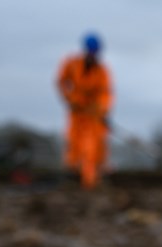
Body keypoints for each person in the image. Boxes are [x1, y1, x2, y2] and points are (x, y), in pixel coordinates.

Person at [55, 32, 113, 190]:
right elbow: (61, 81)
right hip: (76, 113)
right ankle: (71, 174)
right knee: (73, 142)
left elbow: (106, 93)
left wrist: (101, 109)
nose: (93, 56)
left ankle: (91, 180)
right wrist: (69, 98)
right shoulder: (72, 64)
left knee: (93, 145)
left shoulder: (102, 71)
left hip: (93, 115)